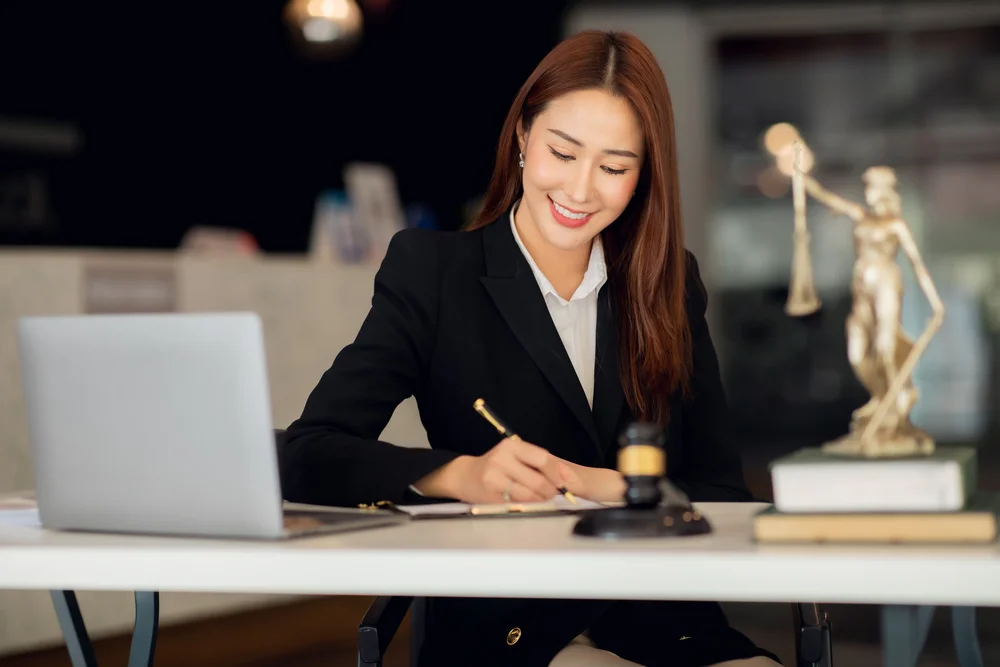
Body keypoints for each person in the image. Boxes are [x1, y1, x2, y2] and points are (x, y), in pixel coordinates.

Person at [283, 29, 782, 667]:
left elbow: (724, 498)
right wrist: (461, 475)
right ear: (522, 137)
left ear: (643, 175)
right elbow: (310, 453)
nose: (580, 190)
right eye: (563, 153)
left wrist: (609, 486)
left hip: (663, 625)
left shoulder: (669, 284)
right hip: (509, 631)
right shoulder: (434, 272)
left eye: (614, 167)